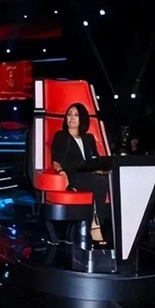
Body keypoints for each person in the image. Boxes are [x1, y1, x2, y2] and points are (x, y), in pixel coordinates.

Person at [51, 103, 112, 247]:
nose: (71, 118)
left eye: (76, 115)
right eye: (69, 114)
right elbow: (56, 161)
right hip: (74, 175)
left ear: (82, 119)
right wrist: (61, 172)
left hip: (90, 173)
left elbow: (95, 159)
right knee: (100, 182)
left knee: (106, 179)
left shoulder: (89, 138)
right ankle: (96, 225)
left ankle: (110, 224)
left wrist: (102, 169)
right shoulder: (61, 136)